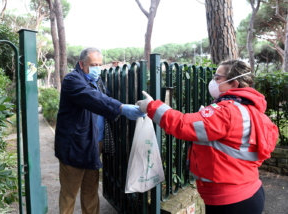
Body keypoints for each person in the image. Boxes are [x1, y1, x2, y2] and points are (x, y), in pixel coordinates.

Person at [136, 60, 278, 214]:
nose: (213, 82)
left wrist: (151, 107)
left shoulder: (227, 111)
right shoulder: (250, 109)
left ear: (234, 84)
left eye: (218, 79)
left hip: (230, 201)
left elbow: (183, 125)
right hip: (247, 191)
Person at [55, 47, 145, 214]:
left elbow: (104, 99)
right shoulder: (72, 80)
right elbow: (92, 98)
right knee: (69, 194)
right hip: (74, 146)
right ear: (81, 64)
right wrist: (122, 108)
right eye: (93, 64)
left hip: (95, 144)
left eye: (99, 64)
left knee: (91, 191)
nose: (97, 68)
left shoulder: (97, 81)